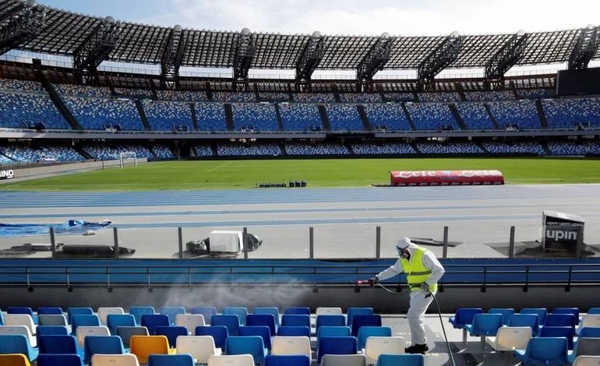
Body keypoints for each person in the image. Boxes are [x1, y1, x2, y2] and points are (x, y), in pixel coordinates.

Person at [368, 237, 445, 354]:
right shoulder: (404, 259)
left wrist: (427, 283)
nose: (399, 253)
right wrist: (377, 278)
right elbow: (393, 270)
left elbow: (440, 270)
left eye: (400, 251)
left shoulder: (424, 254)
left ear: (407, 249)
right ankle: (417, 345)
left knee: (413, 316)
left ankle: (421, 345)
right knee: (417, 318)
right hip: (414, 291)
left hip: (426, 291)